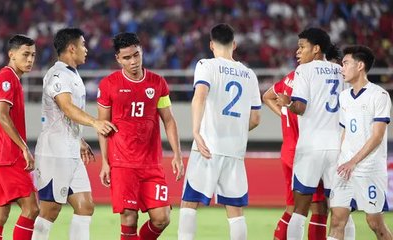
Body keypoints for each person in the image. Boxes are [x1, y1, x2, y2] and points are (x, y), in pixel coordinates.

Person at [177, 23, 261, 240]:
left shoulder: (206, 65)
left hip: (207, 146)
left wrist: (195, 131)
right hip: (235, 150)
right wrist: (236, 130)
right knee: (235, 210)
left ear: (212, 45)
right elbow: (255, 119)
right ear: (234, 44)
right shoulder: (249, 74)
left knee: (189, 203)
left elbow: (200, 96)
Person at [97, 32, 184, 240]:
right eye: (127, 58)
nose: (133, 61)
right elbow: (102, 126)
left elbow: (169, 120)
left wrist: (177, 155)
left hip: (151, 164)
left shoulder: (157, 83)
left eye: (136, 55)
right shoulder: (109, 84)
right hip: (122, 163)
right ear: (118, 59)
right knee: (128, 218)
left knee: (162, 218)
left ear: (142, 51)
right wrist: (105, 163)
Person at [32, 28, 117, 240]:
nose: (86, 49)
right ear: (72, 48)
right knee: (50, 210)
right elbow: (66, 107)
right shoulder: (58, 74)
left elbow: (65, 117)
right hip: (54, 153)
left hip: (70, 151)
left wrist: (79, 140)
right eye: (83, 45)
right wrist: (95, 123)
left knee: (85, 206)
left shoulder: (73, 74)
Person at [263, 44, 354, 240]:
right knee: (320, 207)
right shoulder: (315, 82)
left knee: (293, 206)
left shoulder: (291, 77)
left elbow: (267, 96)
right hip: (307, 150)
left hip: (289, 149)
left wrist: (284, 115)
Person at [328, 45, 393, 240]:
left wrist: (353, 161)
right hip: (345, 169)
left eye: (346, 63)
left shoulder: (379, 95)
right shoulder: (344, 96)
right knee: (337, 221)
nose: (342, 67)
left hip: (369, 169)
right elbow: (345, 132)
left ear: (360, 66)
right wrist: (338, 160)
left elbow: (377, 136)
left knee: (375, 224)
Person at [0, 35, 39, 240]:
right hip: (7, 154)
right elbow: (1, 114)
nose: (30, 59)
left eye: (33, 55)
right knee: (31, 208)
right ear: (11, 54)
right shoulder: (8, 78)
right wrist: (24, 147)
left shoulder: (8, 77)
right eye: (25, 54)